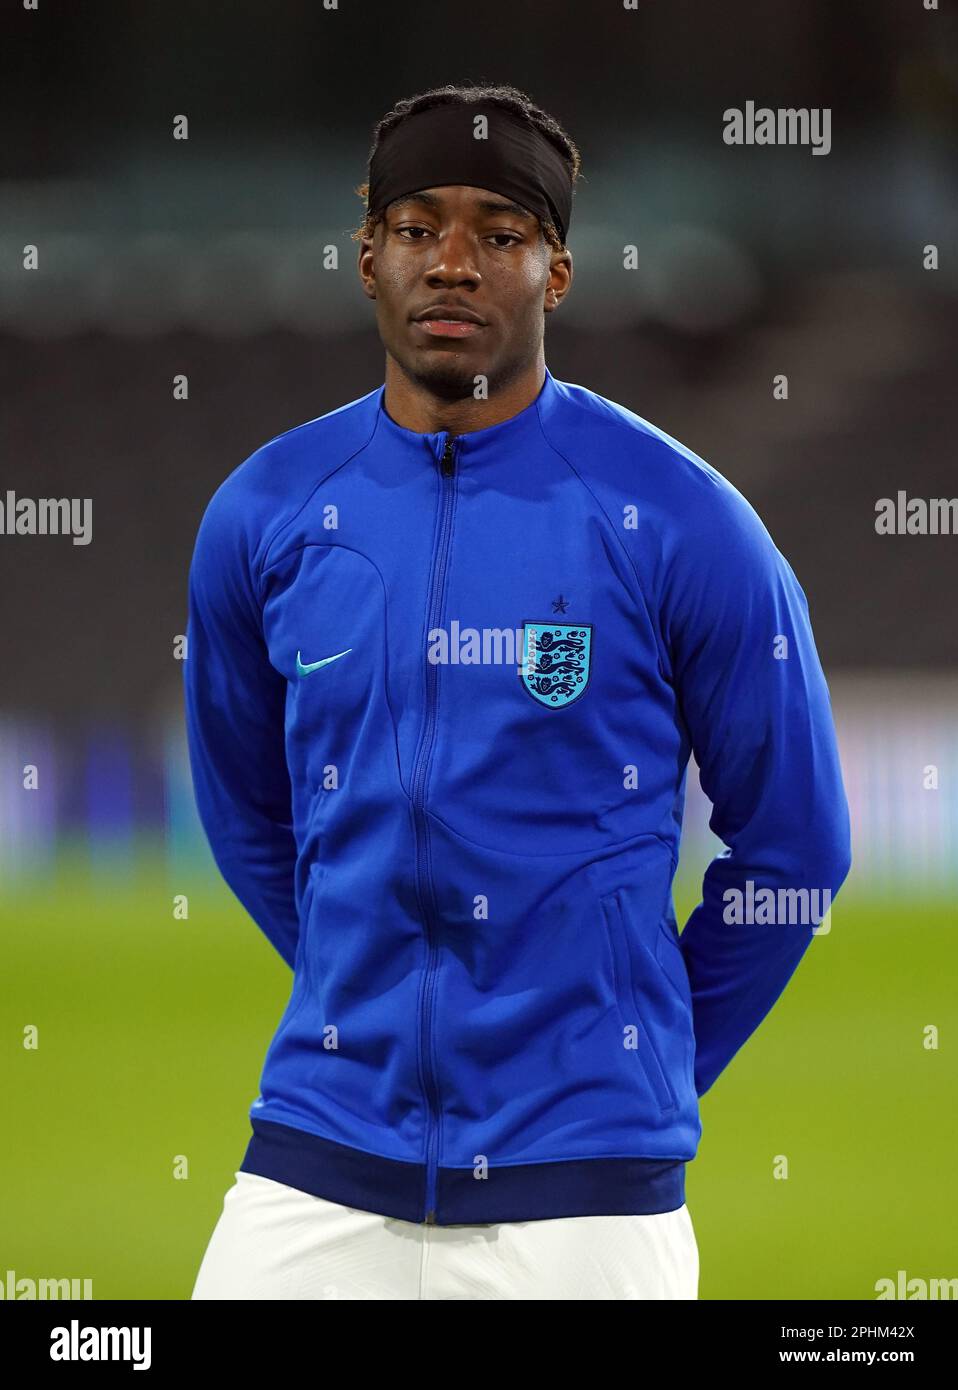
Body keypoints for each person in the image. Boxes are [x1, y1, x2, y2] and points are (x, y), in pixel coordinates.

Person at [184, 82, 850, 1300]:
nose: (452, 262)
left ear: (556, 273)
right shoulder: (265, 514)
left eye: (499, 232)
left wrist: (636, 1053)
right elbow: (245, 812)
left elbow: (797, 844)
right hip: (318, 1165)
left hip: (586, 1199)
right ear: (365, 256)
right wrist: (369, 989)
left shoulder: (686, 522)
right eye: (416, 225)